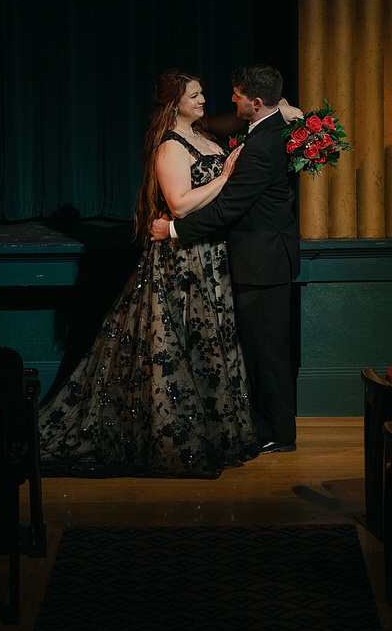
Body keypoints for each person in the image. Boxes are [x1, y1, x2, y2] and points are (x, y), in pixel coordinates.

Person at [38, 67, 258, 479]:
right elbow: (179, 205)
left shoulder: (203, 136)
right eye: (195, 96)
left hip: (210, 256)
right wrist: (226, 176)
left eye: (202, 94)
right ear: (175, 103)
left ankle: (213, 428)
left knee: (209, 342)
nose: (203, 101)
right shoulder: (170, 147)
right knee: (180, 344)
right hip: (182, 262)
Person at [151, 64, 301, 453]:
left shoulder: (263, 147)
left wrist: (173, 231)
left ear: (256, 101)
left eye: (236, 95)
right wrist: (284, 111)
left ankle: (278, 433)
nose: (226, 100)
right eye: (196, 95)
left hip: (261, 262)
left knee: (267, 353)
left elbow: (229, 208)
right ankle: (267, 426)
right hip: (256, 259)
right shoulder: (266, 129)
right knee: (259, 350)